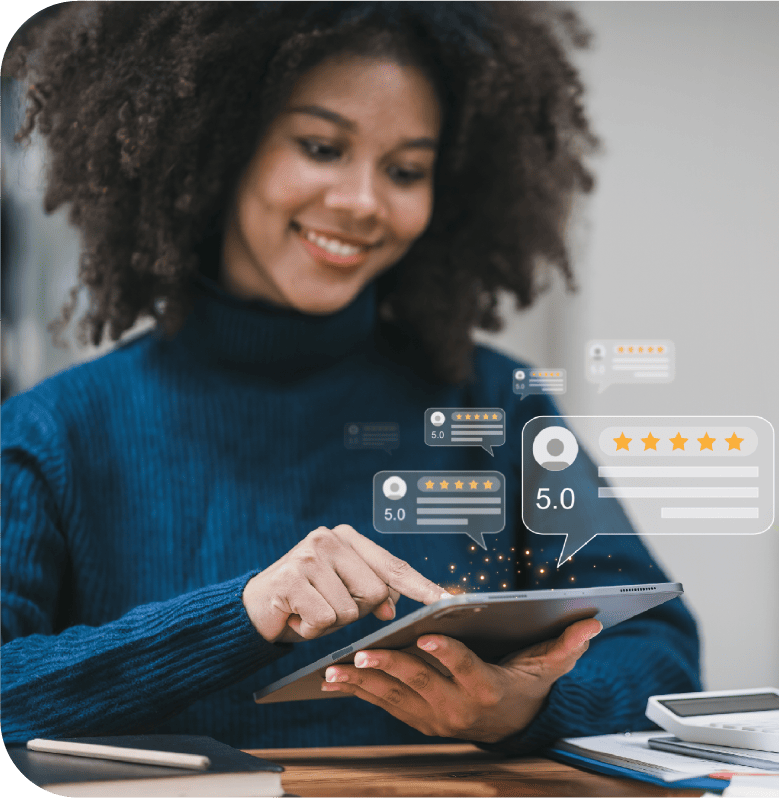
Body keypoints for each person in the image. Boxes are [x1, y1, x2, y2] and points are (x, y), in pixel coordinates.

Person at [1, 2, 701, 753]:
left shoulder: (496, 404)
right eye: (321, 146)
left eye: (405, 170)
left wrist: (527, 708)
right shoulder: (56, 434)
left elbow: (662, 653)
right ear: (218, 142)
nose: (363, 202)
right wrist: (239, 615)